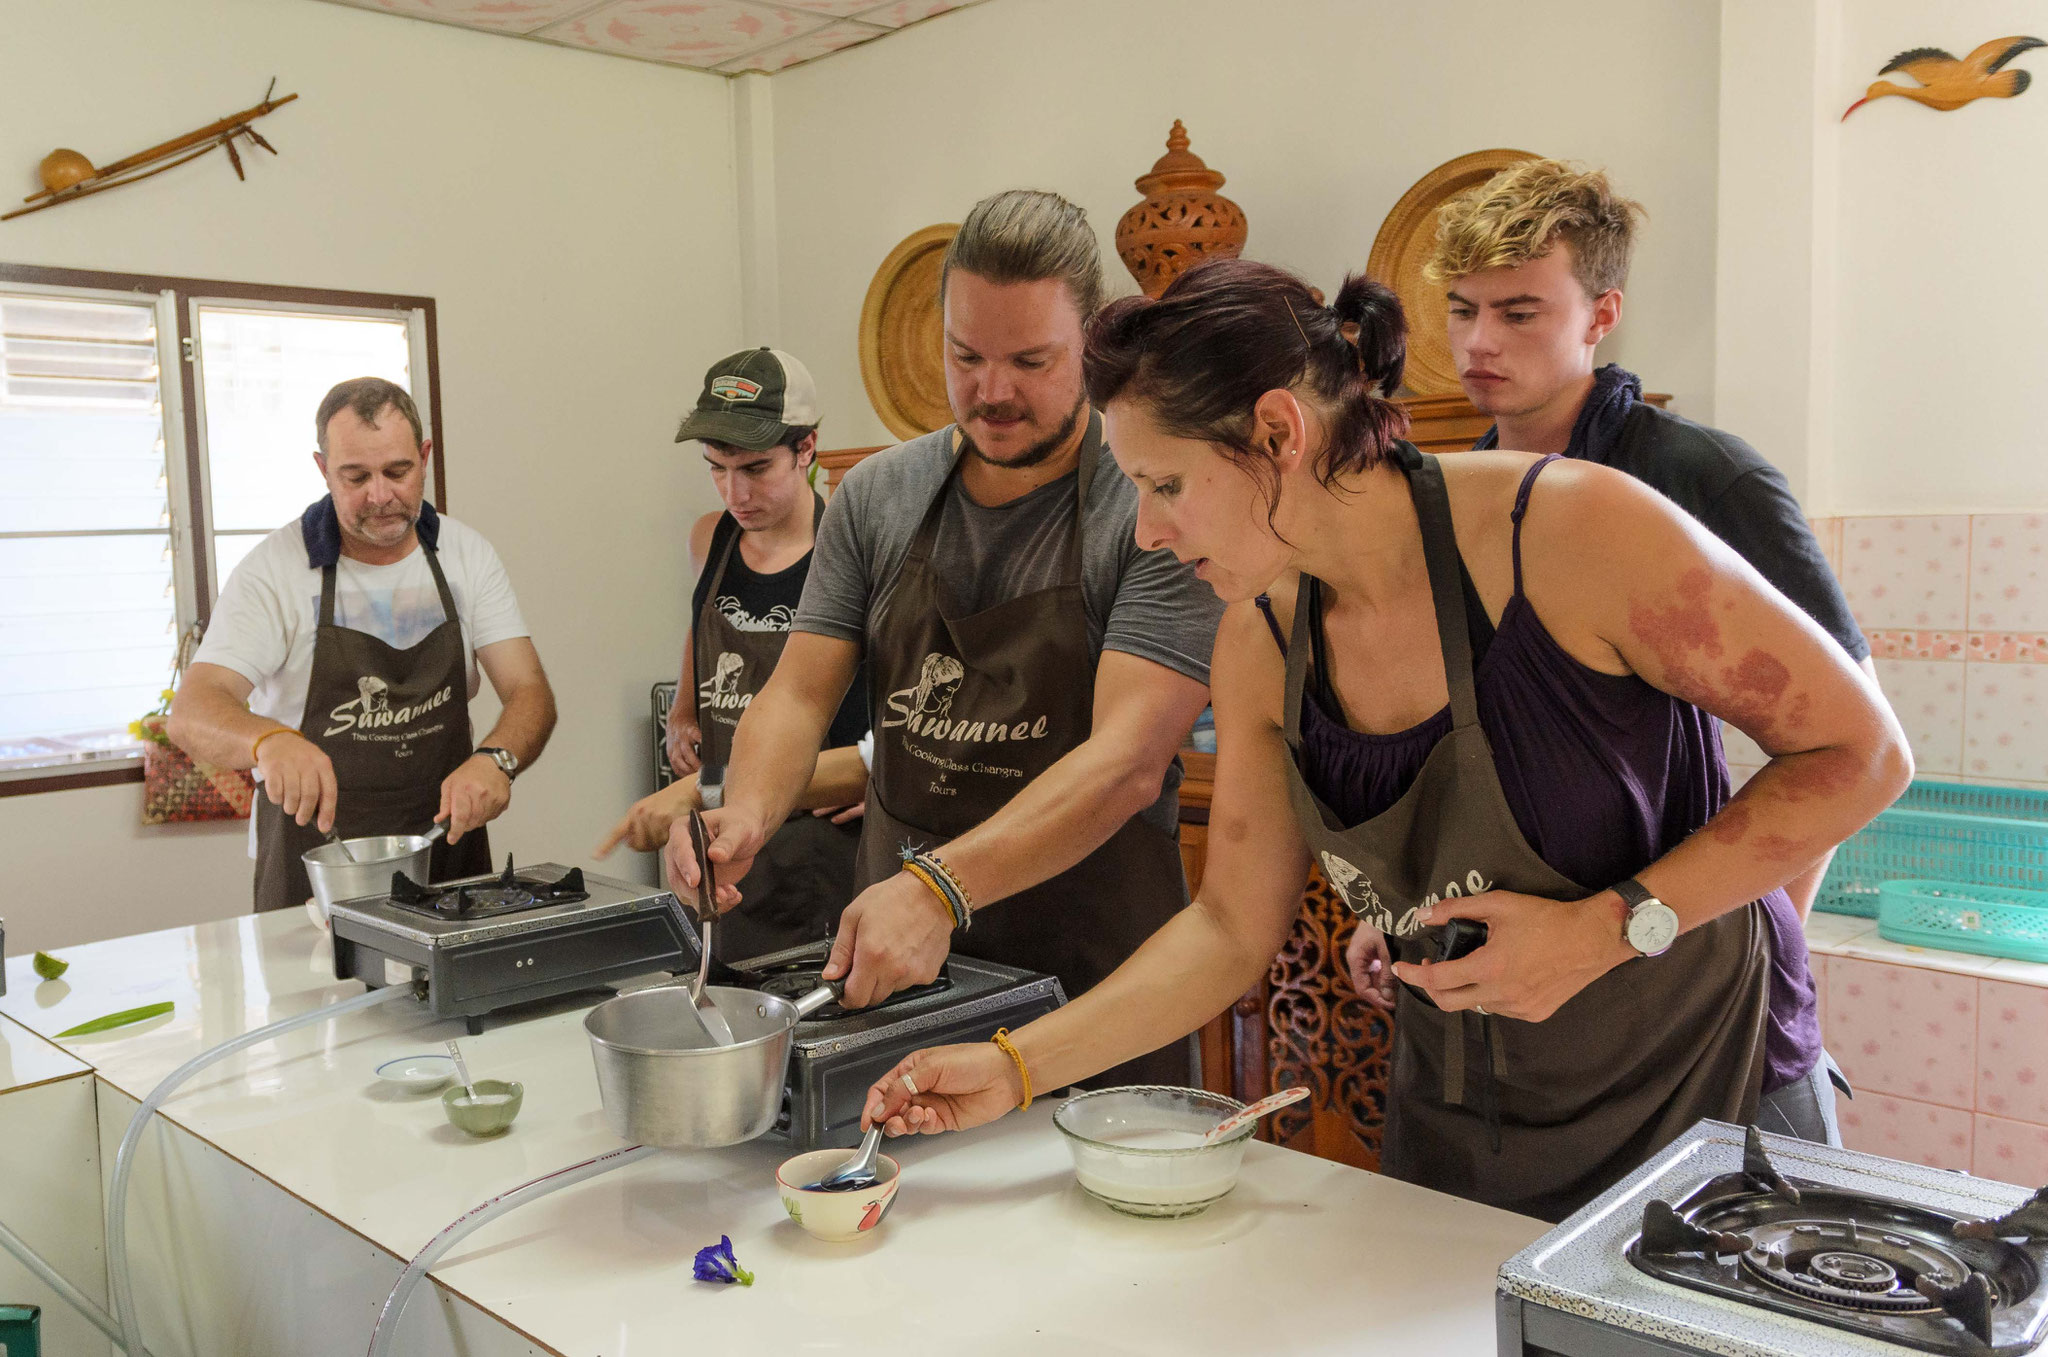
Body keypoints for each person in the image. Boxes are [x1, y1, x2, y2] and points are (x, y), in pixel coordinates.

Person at [857, 259, 1911, 1222]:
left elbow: (1858, 753)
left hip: (1705, 1099)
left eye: (1164, 484)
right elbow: (1227, 926)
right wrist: (1012, 1067)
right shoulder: (1262, 641)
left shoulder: (1571, 532)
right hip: (1466, 1121)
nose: (1146, 530)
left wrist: (1606, 927)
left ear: (1277, 431)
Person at [676, 190, 1224, 1087]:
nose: (992, 390)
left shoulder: (1152, 503)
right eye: (966, 356)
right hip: (898, 977)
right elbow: (799, 691)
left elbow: (1128, 762)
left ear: (1092, 341)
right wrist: (744, 813)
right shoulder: (879, 497)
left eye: (1031, 360)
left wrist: (939, 886)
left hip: (1094, 984)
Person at [1427, 159, 1876, 921]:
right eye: (1462, 309)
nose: (1478, 342)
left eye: (1519, 313)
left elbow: (1855, 744)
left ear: (1601, 316)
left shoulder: (1705, 476)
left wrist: (1770, 947)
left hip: (1666, 921)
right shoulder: (1452, 493)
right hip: (1497, 922)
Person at [169, 378, 555, 913]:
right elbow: (192, 710)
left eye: (397, 472)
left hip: (446, 855)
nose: (380, 496)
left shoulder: (466, 556)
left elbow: (529, 689)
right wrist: (267, 742)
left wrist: (496, 759)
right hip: (316, 864)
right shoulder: (274, 571)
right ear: (323, 469)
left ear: (424, 458)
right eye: (356, 477)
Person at [597, 347, 869, 957]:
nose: (734, 491)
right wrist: (684, 706)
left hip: (814, 838)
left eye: (754, 468)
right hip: (719, 823)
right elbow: (702, 620)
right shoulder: (709, 538)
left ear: (807, 449)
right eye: (716, 467)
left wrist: (874, 770)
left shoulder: (846, 550)